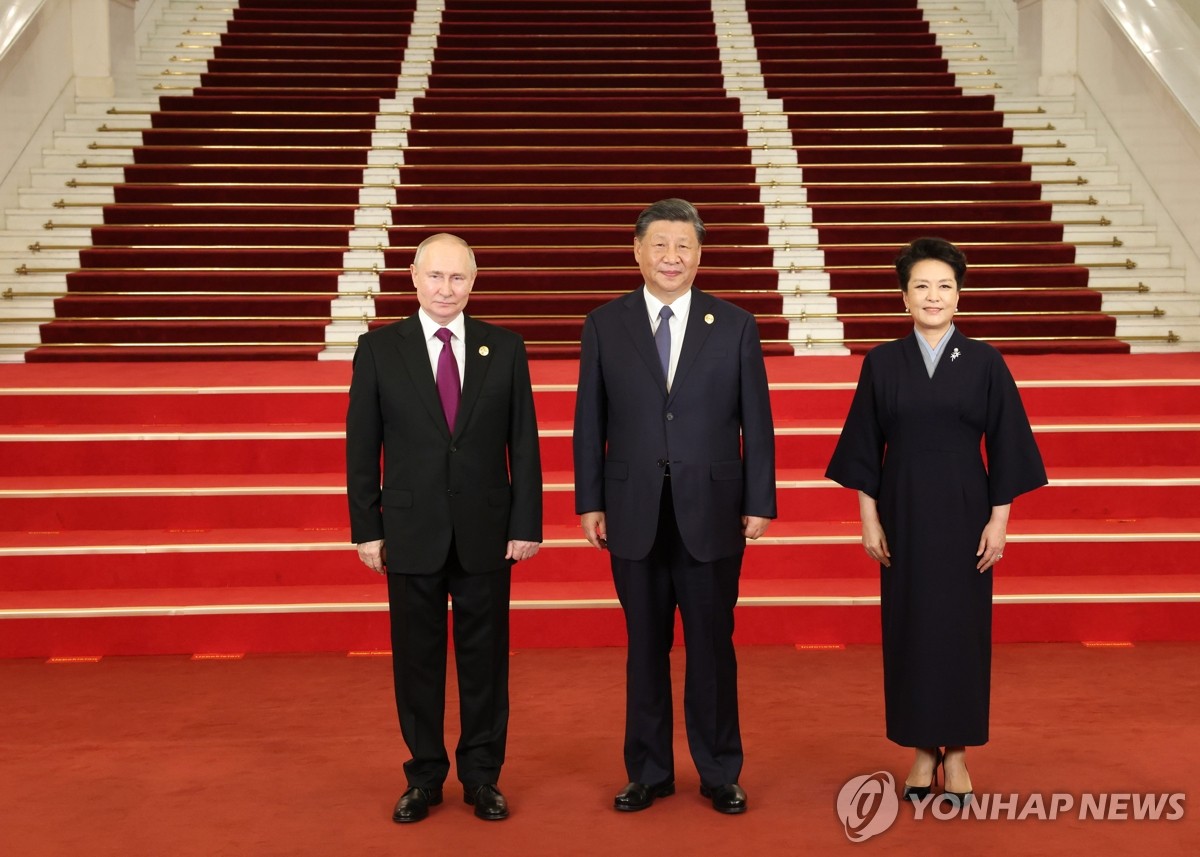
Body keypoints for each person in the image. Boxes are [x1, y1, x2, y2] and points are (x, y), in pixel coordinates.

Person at [825, 237, 1047, 806]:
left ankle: (961, 753)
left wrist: (1000, 521)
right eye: (921, 286)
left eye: (944, 285)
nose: (933, 295)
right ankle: (923, 750)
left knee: (962, 631)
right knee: (911, 628)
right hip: (901, 510)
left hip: (966, 510)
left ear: (959, 296)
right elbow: (862, 447)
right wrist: (867, 517)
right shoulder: (881, 362)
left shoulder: (985, 361)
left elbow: (1008, 444)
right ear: (903, 298)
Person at [573, 198, 777, 815]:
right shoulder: (605, 324)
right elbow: (590, 421)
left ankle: (719, 771)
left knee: (713, 646)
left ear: (698, 254)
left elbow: (758, 424)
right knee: (644, 648)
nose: (671, 256)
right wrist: (589, 500)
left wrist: (759, 499)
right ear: (637, 251)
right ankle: (649, 772)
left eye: (683, 245)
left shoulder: (735, 325)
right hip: (632, 509)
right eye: (659, 244)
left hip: (713, 510)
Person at [346, 233, 542, 824]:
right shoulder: (379, 350)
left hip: (487, 531)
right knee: (417, 663)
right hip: (409, 531)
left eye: (458, 278)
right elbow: (362, 446)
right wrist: (366, 528)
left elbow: (524, 443)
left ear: (474, 280)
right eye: (436, 277)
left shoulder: (504, 349)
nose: (446, 289)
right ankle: (424, 776)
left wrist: (525, 520)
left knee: (486, 663)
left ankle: (482, 777)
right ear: (413, 277)